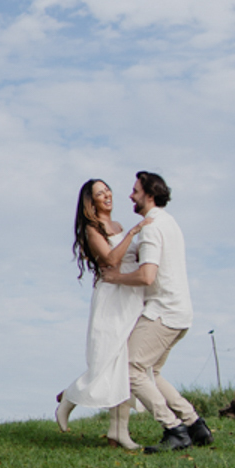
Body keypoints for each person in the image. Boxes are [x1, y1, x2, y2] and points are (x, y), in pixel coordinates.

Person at [96, 170, 213, 452]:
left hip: (163, 313)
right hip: (181, 313)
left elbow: (147, 276)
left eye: (135, 191)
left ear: (149, 195)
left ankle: (174, 429)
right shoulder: (169, 223)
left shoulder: (151, 228)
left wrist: (114, 279)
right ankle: (195, 424)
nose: (130, 196)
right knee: (151, 373)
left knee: (130, 367)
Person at [54, 179, 147, 450]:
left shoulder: (117, 226)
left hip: (131, 296)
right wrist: (133, 233)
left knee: (124, 364)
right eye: (99, 193)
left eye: (107, 190)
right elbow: (110, 260)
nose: (106, 195)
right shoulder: (93, 229)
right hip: (111, 298)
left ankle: (119, 432)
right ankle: (68, 399)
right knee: (107, 360)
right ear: (90, 202)